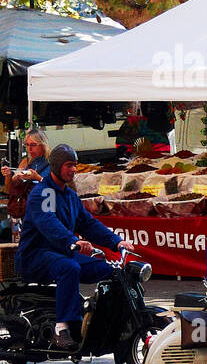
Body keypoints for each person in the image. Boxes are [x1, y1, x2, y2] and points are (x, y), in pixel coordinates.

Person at [16, 144, 136, 349]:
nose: (73, 169)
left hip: (63, 252)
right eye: (69, 165)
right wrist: (73, 241)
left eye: (75, 165)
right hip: (35, 256)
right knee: (69, 268)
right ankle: (62, 328)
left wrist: (116, 242)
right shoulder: (44, 192)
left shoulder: (69, 195)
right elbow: (48, 223)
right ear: (55, 166)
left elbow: (88, 223)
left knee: (110, 270)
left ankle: (98, 321)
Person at [3, 127, 49, 236]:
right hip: (28, 213)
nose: (29, 149)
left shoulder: (52, 162)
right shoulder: (25, 162)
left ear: (43, 144)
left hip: (46, 211)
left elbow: (55, 189)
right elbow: (10, 189)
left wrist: (37, 178)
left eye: (33, 145)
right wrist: (9, 175)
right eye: (27, 145)